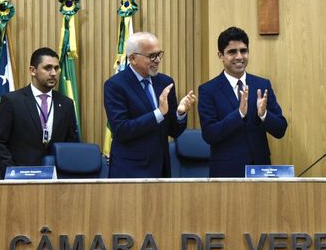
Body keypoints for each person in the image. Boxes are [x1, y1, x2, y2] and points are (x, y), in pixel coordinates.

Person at [104, 32, 196, 178]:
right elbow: (122, 130)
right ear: (133, 58)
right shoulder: (115, 85)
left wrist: (180, 113)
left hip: (161, 169)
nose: (158, 60)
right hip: (130, 170)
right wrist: (158, 113)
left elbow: (173, 131)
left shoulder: (165, 82)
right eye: (152, 56)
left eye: (159, 54)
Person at [198, 26, 287, 177]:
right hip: (226, 172)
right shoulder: (208, 90)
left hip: (260, 170)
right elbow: (209, 134)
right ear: (220, 55)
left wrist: (264, 114)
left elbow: (280, 129)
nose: (239, 56)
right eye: (232, 52)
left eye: (243, 51)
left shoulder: (262, 85)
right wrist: (238, 114)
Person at [0, 47, 79, 170]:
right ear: (33, 71)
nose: (53, 73)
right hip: (20, 177)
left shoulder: (66, 104)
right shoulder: (12, 101)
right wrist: (11, 170)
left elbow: (72, 143)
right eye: (47, 68)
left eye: (56, 68)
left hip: (57, 177)